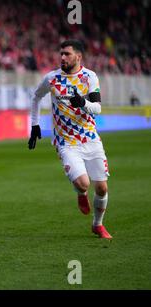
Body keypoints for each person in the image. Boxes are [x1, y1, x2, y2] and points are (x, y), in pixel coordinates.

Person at [28, 40, 112, 239]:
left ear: (78, 57)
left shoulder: (89, 77)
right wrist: (35, 124)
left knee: (102, 187)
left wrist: (83, 103)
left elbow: (97, 108)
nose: (62, 57)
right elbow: (36, 97)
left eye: (67, 54)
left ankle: (97, 225)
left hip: (90, 138)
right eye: (61, 54)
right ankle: (81, 194)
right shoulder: (52, 78)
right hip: (66, 142)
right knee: (83, 183)